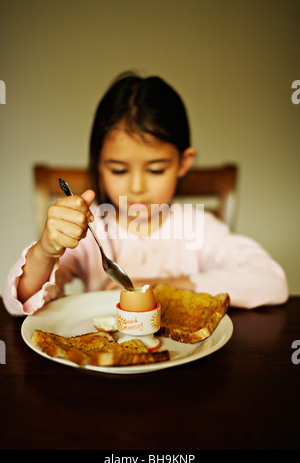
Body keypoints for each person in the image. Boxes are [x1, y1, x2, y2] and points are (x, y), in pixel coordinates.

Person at [3, 72, 288, 316]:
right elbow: (19, 301)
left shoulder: (197, 227)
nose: (137, 187)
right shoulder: (91, 231)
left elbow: (272, 281)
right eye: (118, 170)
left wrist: (166, 285)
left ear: (183, 163)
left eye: (155, 170)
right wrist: (44, 251)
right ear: (98, 166)